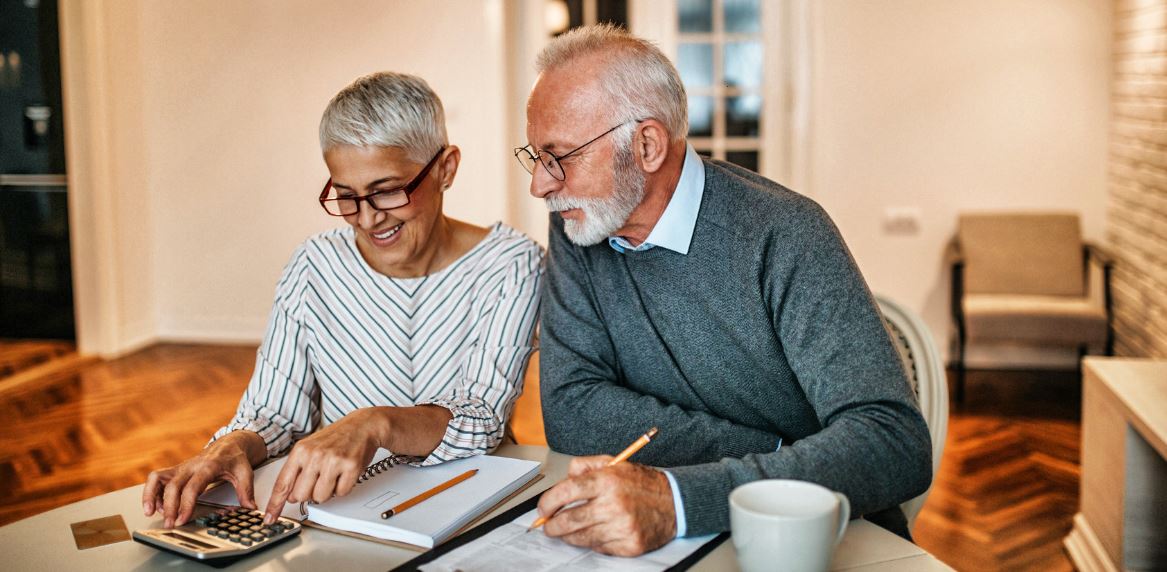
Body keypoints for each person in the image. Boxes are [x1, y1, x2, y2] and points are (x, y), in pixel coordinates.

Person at [516, 24, 931, 557]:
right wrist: (778, 456)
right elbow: (573, 411)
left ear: (646, 145)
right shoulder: (580, 226)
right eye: (534, 157)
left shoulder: (785, 233)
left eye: (560, 157)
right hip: (673, 535)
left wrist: (680, 497)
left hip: (817, 541)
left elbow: (892, 443)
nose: (540, 185)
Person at [143, 72, 543, 528]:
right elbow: (275, 411)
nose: (368, 219)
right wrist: (231, 445)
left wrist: (374, 424)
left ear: (446, 168)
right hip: (341, 509)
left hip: (468, 503)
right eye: (347, 196)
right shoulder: (314, 265)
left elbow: (481, 417)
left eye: (387, 190)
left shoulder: (511, 264)